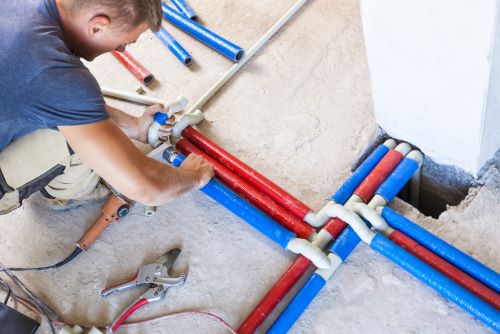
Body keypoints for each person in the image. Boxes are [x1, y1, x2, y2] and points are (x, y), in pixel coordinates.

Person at [0, 0, 214, 214]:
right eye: (125, 42)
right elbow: (146, 186)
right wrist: (194, 176)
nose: (121, 49)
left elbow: (61, 97)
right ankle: (63, 194)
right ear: (97, 26)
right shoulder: (56, 75)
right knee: (86, 143)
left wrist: (134, 126)